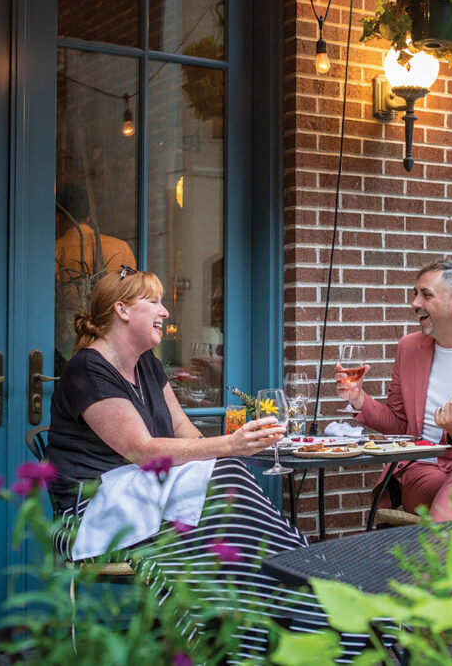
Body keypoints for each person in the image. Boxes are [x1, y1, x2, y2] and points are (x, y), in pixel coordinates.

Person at [47, 268, 367, 660]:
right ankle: (274, 619)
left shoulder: (147, 364)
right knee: (227, 475)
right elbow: (141, 450)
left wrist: (218, 459)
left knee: (228, 474)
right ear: (122, 310)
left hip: (147, 495)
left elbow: (183, 428)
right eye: (154, 302)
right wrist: (231, 444)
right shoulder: (87, 369)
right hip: (93, 512)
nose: (165, 311)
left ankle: (302, 591)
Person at [336, 258, 452, 521]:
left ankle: (439, 543)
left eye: (426, 295)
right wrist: (358, 399)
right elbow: (399, 424)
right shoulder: (409, 348)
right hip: (426, 470)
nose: (415, 303)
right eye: (415, 294)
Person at [54, 183, 138, 365]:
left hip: (67, 343)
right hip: (116, 346)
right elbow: (134, 299)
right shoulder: (120, 248)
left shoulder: (54, 251)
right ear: (88, 216)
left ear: (58, 218)